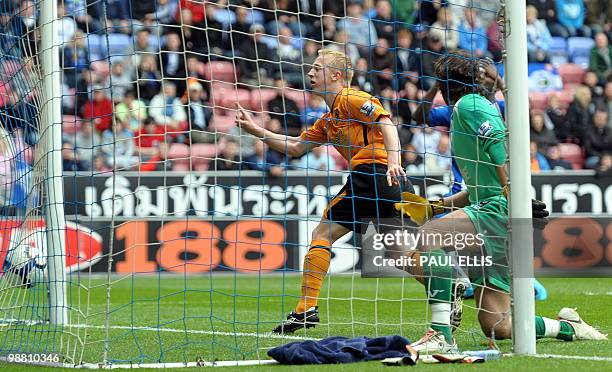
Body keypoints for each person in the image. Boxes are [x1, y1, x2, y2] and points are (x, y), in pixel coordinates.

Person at [395, 53, 607, 353]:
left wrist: (512, 194)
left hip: (496, 210)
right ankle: (570, 327)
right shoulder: (464, 109)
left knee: (430, 236)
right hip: (493, 207)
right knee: (499, 326)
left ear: (444, 84)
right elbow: (479, 187)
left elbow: (498, 148)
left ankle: (441, 333)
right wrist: (435, 207)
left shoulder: (469, 105)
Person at [236, 49, 411, 334]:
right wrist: (256, 131)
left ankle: (306, 308)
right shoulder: (329, 120)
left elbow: (386, 122)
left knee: (322, 234)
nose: (310, 73)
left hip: (374, 175)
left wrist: (394, 162)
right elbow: (295, 147)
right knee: (398, 253)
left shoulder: (352, 98)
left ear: (337, 75)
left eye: (317, 68)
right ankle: (446, 284)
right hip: (387, 182)